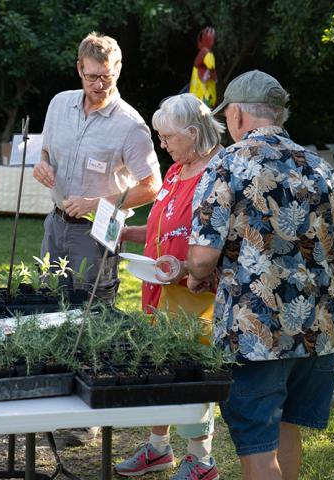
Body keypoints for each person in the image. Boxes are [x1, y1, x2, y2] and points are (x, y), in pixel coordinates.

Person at [186, 70, 334, 480]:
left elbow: (202, 259)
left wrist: (195, 273)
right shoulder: (322, 168)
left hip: (253, 334)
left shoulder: (227, 165)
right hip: (316, 334)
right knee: (286, 432)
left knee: (258, 449)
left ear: (238, 116)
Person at [116, 94, 223, 479]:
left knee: (190, 372)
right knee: (160, 367)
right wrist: (130, 233)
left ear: (193, 134)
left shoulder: (218, 173)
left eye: (168, 137)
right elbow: (168, 226)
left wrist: (189, 267)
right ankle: (158, 448)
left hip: (196, 292)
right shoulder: (179, 169)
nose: (163, 145)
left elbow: (226, 238)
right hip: (162, 287)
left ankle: (201, 459)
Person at [33, 31, 161, 303]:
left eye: (107, 76)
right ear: (79, 68)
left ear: (118, 69)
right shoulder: (59, 104)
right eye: (92, 76)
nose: (99, 85)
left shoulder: (131, 126)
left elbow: (152, 188)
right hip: (55, 223)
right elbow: (45, 150)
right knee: (46, 300)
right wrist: (42, 164)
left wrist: (96, 204)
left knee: (91, 311)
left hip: (101, 229)